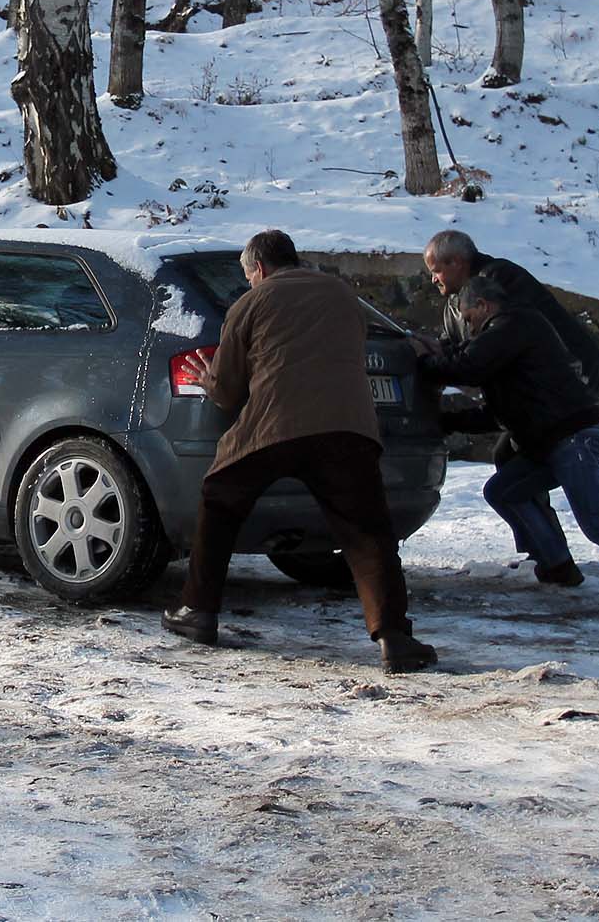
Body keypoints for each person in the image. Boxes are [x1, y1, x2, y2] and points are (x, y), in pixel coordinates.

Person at [162, 230, 437, 673]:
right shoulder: (344, 294)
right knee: (368, 534)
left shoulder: (249, 304)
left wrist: (207, 377)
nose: (251, 282)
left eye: (249, 275)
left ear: (260, 269)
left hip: (273, 427)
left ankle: (198, 612)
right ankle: (395, 638)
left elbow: (229, 393)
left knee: (219, 502)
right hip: (347, 428)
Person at [413, 273, 599, 598]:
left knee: (598, 523)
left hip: (573, 437)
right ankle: (557, 566)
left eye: (468, 317)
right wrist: (447, 421)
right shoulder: (507, 339)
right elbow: (500, 412)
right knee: (503, 490)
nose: (468, 326)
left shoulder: (513, 325)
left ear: (483, 304)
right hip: (553, 441)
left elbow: (466, 367)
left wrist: (424, 360)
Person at [422, 229, 599, 581]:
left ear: (456, 262)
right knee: (528, 458)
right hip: (538, 395)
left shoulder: (498, 280)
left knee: (574, 459)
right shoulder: (456, 304)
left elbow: (512, 339)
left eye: (435, 269)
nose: (432, 278)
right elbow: (461, 345)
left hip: (565, 383)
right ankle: (547, 553)